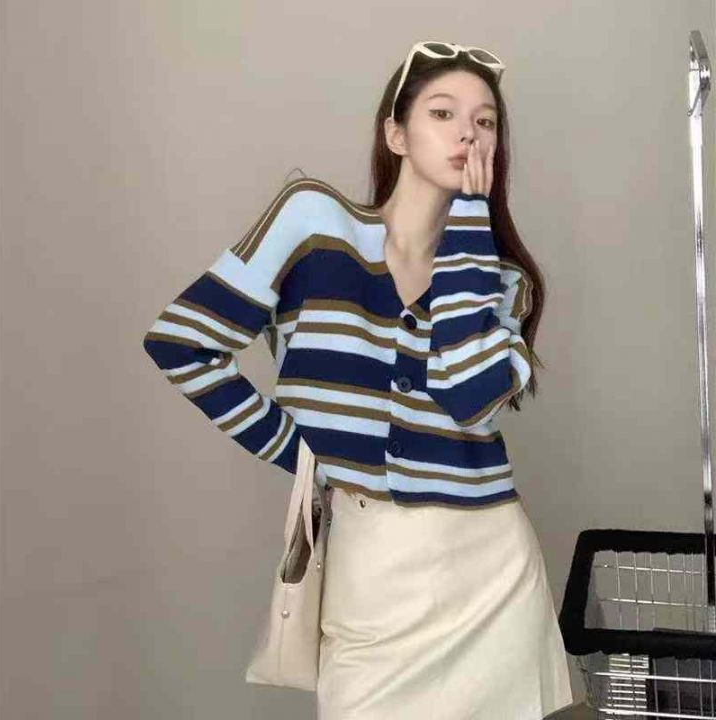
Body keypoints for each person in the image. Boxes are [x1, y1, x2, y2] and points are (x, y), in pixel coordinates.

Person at [143, 40, 574, 719]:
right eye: (443, 113)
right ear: (395, 133)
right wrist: (303, 456)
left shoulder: (503, 284)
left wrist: (470, 218)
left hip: (491, 571)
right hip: (368, 567)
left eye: (486, 121)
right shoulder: (313, 224)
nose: (468, 132)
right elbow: (182, 341)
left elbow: (467, 395)